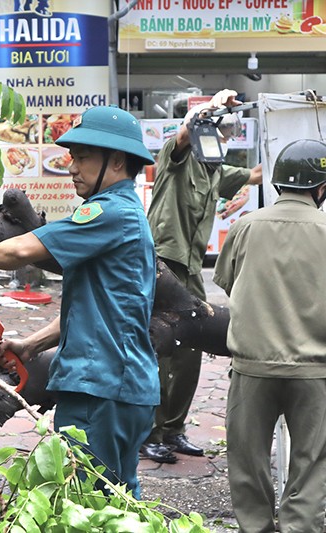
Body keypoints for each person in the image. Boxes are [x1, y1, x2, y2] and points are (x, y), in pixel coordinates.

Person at [0, 105, 159, 497]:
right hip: (122, 389)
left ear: (116, 161)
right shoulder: (127, 215)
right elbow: (97, 308)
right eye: (72, 157)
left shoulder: (108, 212)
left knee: (83, 503)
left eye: (82, 158)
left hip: (100, 389)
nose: (72, 167)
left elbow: (24, 248)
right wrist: (31, 344)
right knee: (119, 502)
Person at [141, 89, 263, 464]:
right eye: (216, 133)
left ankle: (174, 429)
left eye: (226, 136)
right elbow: (181, 136)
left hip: (191, 268)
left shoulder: (214, 170)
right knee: (159, 348)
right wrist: (210, 106)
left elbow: (259, 173)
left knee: (192, 350)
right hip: (163, 263)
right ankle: (149, 433)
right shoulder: (176, 158)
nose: (220, 141)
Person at [213, 139, 326, 533]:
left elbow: (227, 284)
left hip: (252, 368)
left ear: (278, 184)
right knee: (311, 467)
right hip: (316, 372)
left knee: (248, 465)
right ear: (321, 187)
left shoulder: (245, 226)